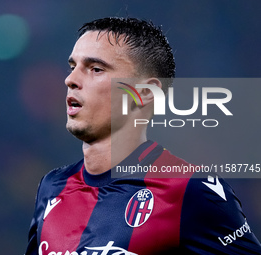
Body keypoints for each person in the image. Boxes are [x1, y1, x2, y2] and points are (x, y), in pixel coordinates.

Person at [25, 17, 261, 254]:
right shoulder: (52, 186)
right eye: (72, 67)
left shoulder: (191, 189)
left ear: (145, 94)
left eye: (96, 69)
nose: (70, 80)